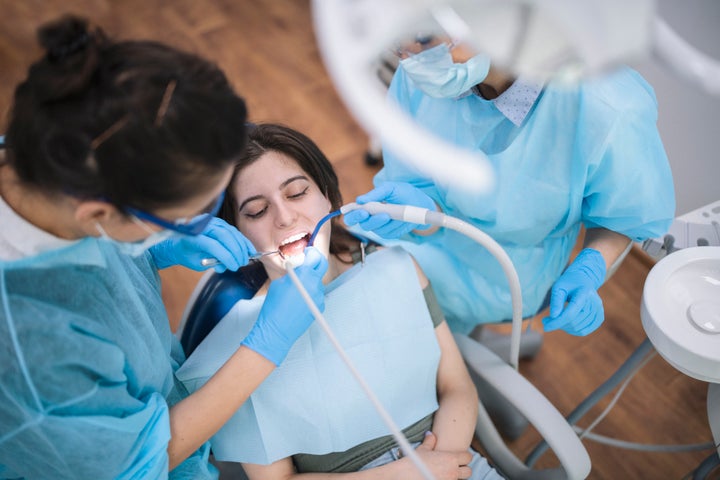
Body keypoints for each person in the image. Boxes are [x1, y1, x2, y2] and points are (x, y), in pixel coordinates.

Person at [0, 16, 327, 479]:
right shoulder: (26, 346)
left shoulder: (54, 155)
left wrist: (156, 248)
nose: (286, 217)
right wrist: (266, 345)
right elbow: (133, 464)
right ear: (99, 214)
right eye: (187, 215)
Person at [176, 123, 503, 480]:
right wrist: (409, 474)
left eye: (297, 192)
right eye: (256, 211)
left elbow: (456, 385)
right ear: (236, 234)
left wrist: (443, 461)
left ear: (328, 197)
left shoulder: (396, 271)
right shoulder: (236, 353)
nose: (285, 217)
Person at [344, 36, 676, 338]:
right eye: (397, 41)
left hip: (509, 273)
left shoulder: (605, 107)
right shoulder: (421, 69)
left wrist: (590, 268)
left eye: (423, 38)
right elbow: (416, 185)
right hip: (429, 242)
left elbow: (622, 216)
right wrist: (424, 210)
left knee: (392, 317)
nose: (408, 57)